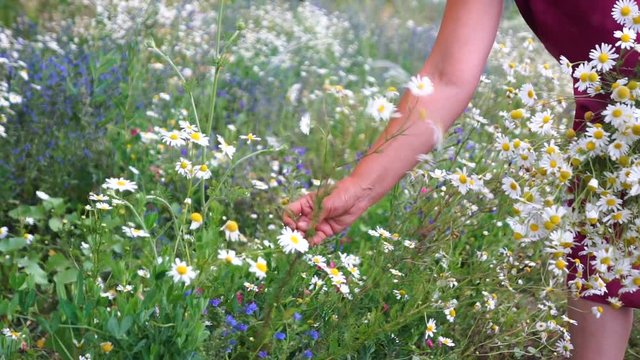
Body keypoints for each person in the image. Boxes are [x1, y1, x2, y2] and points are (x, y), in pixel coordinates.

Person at [283, 1, 638, 359]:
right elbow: (445, 77)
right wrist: (359, 189)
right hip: (613, 138)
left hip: (614, 134)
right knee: (602, 287)